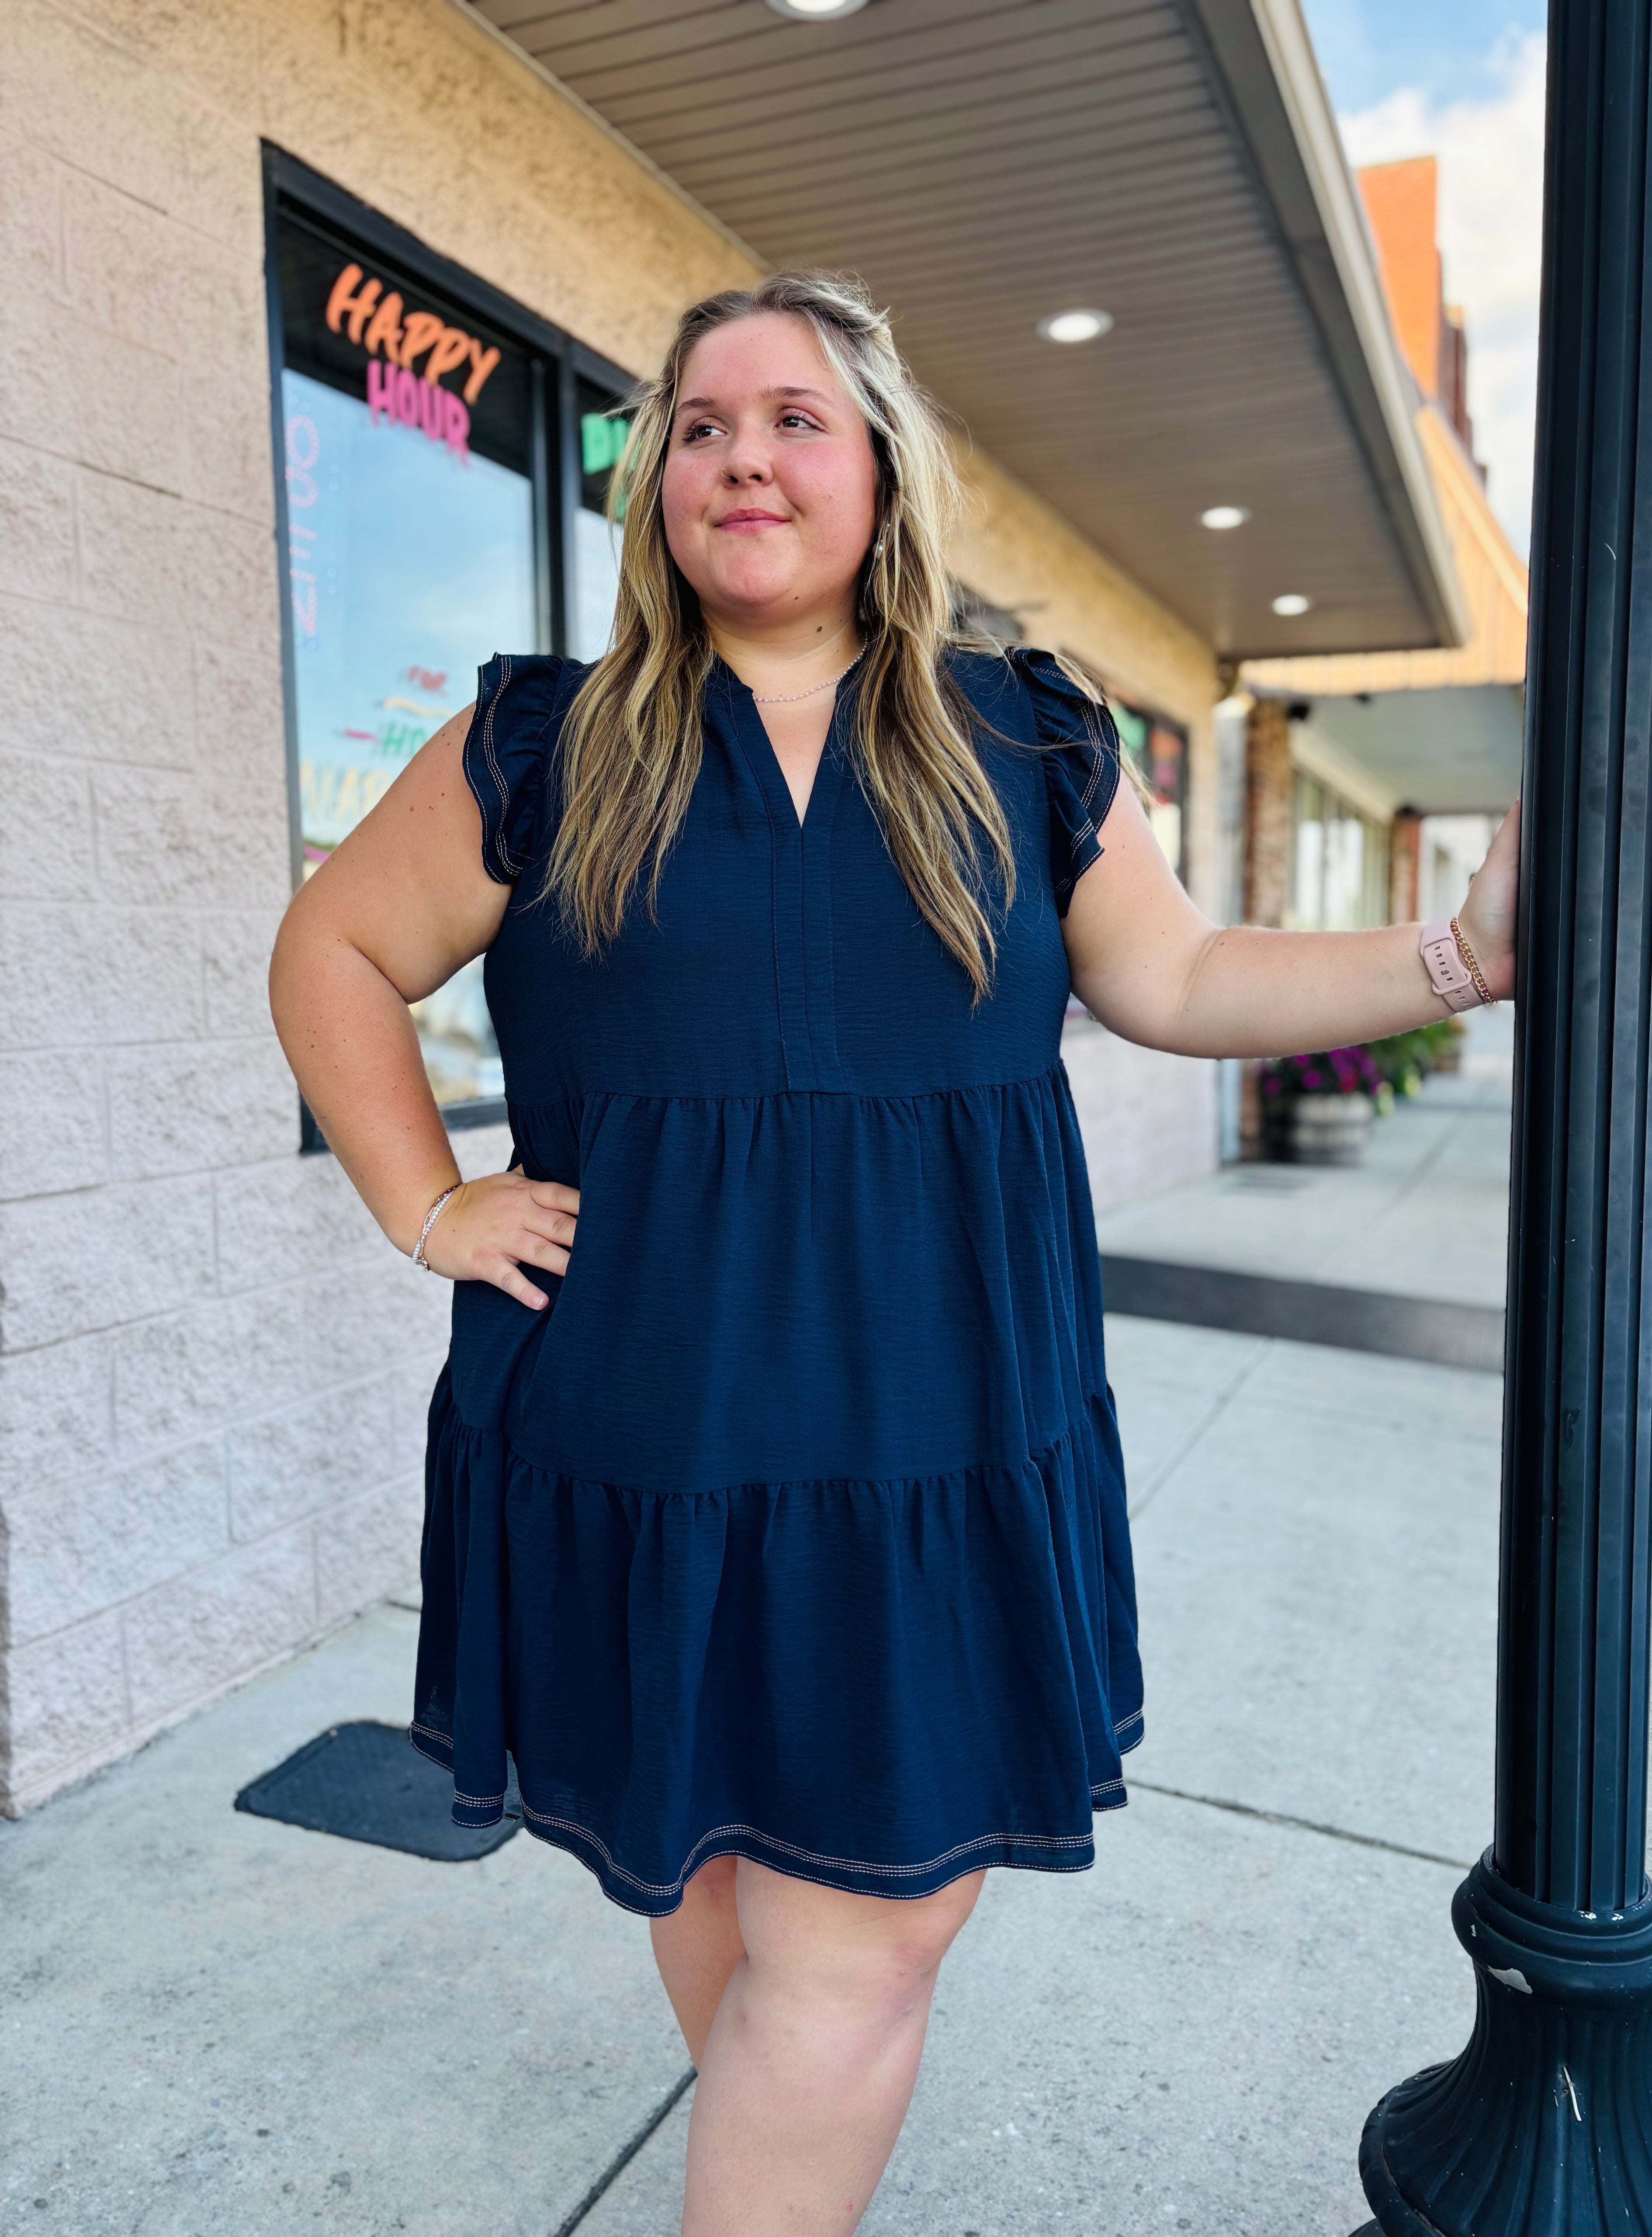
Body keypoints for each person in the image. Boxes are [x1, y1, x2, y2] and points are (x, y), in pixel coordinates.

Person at [269, 269, 1517, 2234]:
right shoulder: (544, 741)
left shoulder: (1019, 740)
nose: (741, 453)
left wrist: (1458, 954)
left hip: (938, 1433)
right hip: (632, 1438)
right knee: (725, 1900)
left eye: (792, 418)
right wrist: (427, 1197)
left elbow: (1180, 974)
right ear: (654, 483)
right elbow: (330, 951)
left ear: (883, 473)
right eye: (698, 424)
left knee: (854, 1947)